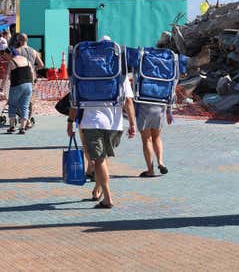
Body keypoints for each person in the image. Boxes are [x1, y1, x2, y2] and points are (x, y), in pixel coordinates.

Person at [67, 36, 137, 209]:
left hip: (92, 122)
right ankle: (98, 190)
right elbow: (128, 102)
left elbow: (75, 102)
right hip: (115, 124)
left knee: (99, 160)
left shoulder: (82, 73)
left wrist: (70, 122)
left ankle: (108, 198)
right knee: (102, 159)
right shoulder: (119, 74)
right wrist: (133, 124)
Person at [0, 47, 34, 134]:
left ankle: (12, 127)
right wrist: (32, 84)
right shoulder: (26, 60)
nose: (5, 57)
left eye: (6, 55)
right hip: (28, 85)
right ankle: (22, 128)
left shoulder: (11, 62)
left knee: (12, 105)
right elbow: (32, 72)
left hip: (17, 85)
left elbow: (6, 76)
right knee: (25, 107)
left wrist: (1, 88)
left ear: (9, 54)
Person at [137, 103, 173, 177]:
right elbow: (171, 95)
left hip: (144, 108)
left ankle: (150, 170)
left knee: (147, 140)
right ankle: (160, 162)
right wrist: (169, 111)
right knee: (157, 137)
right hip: (160, 108)